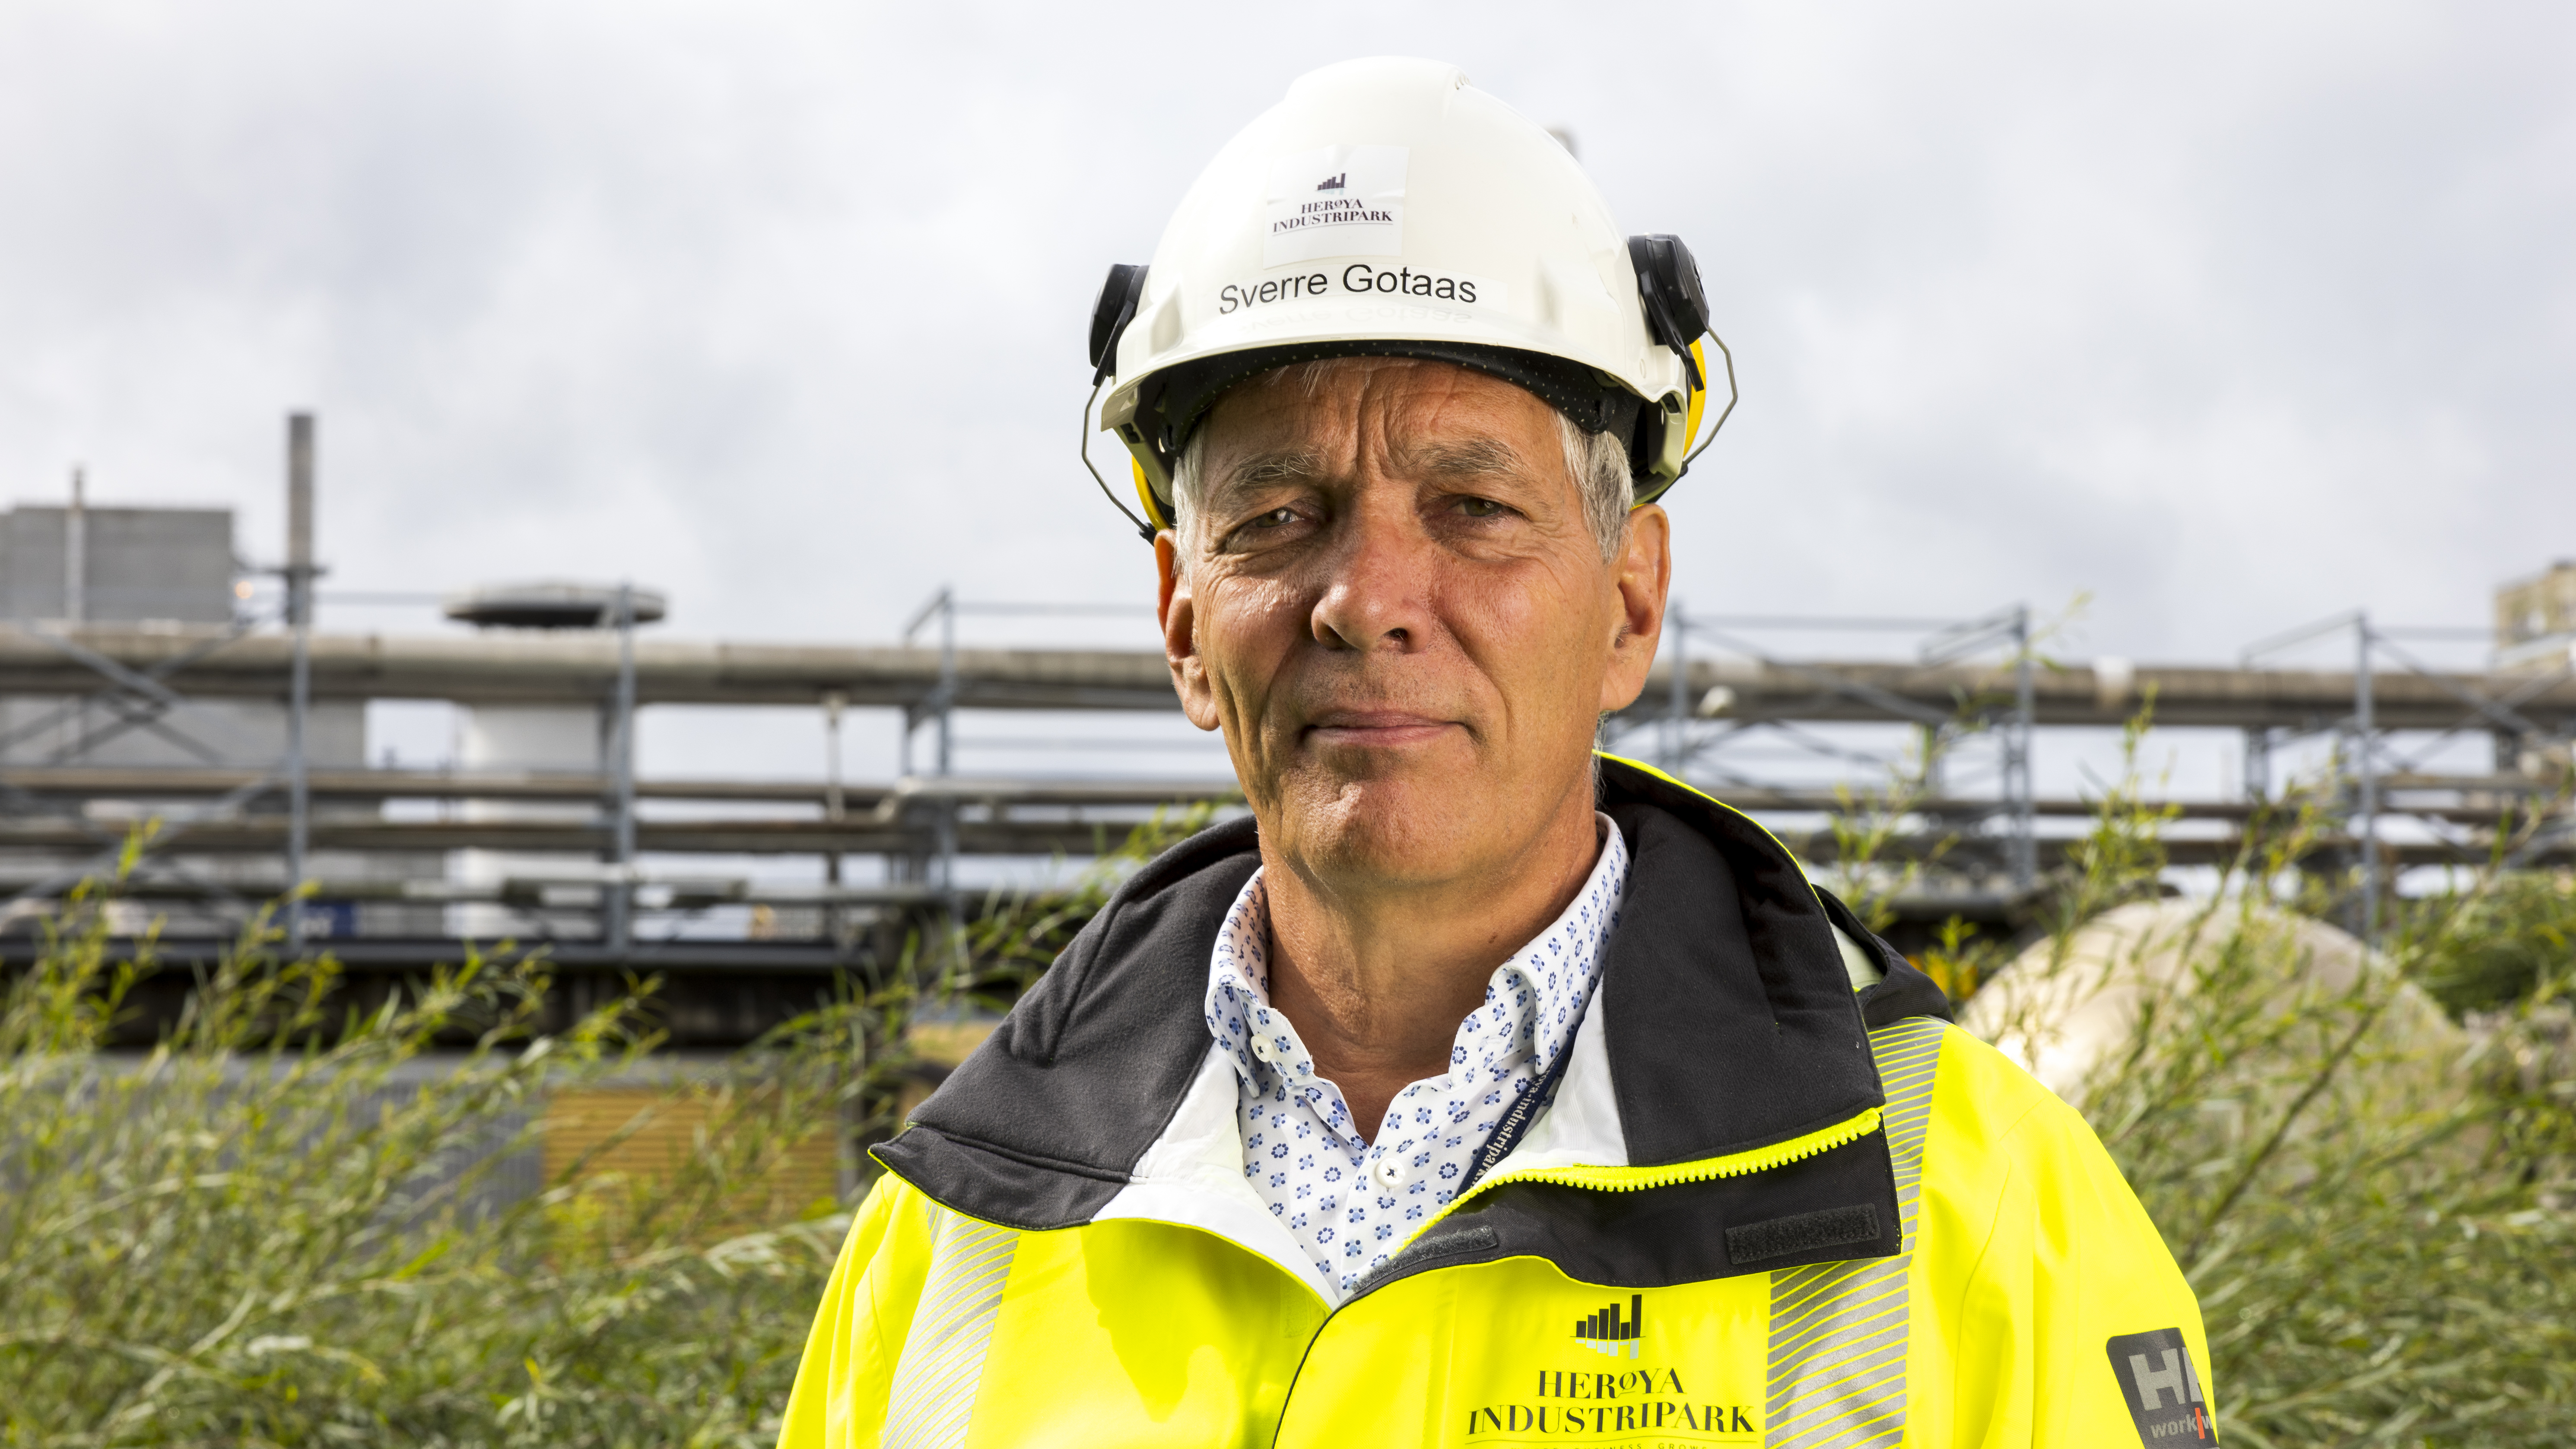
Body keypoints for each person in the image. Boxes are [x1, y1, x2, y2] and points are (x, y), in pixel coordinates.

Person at [778, 56, 2216, 1449]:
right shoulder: (948, 1236)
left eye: (1470, 505)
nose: (1368, 600)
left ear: (1628, 604)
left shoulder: (1977, 1203)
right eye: (1277, 514)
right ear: (1180, 617)